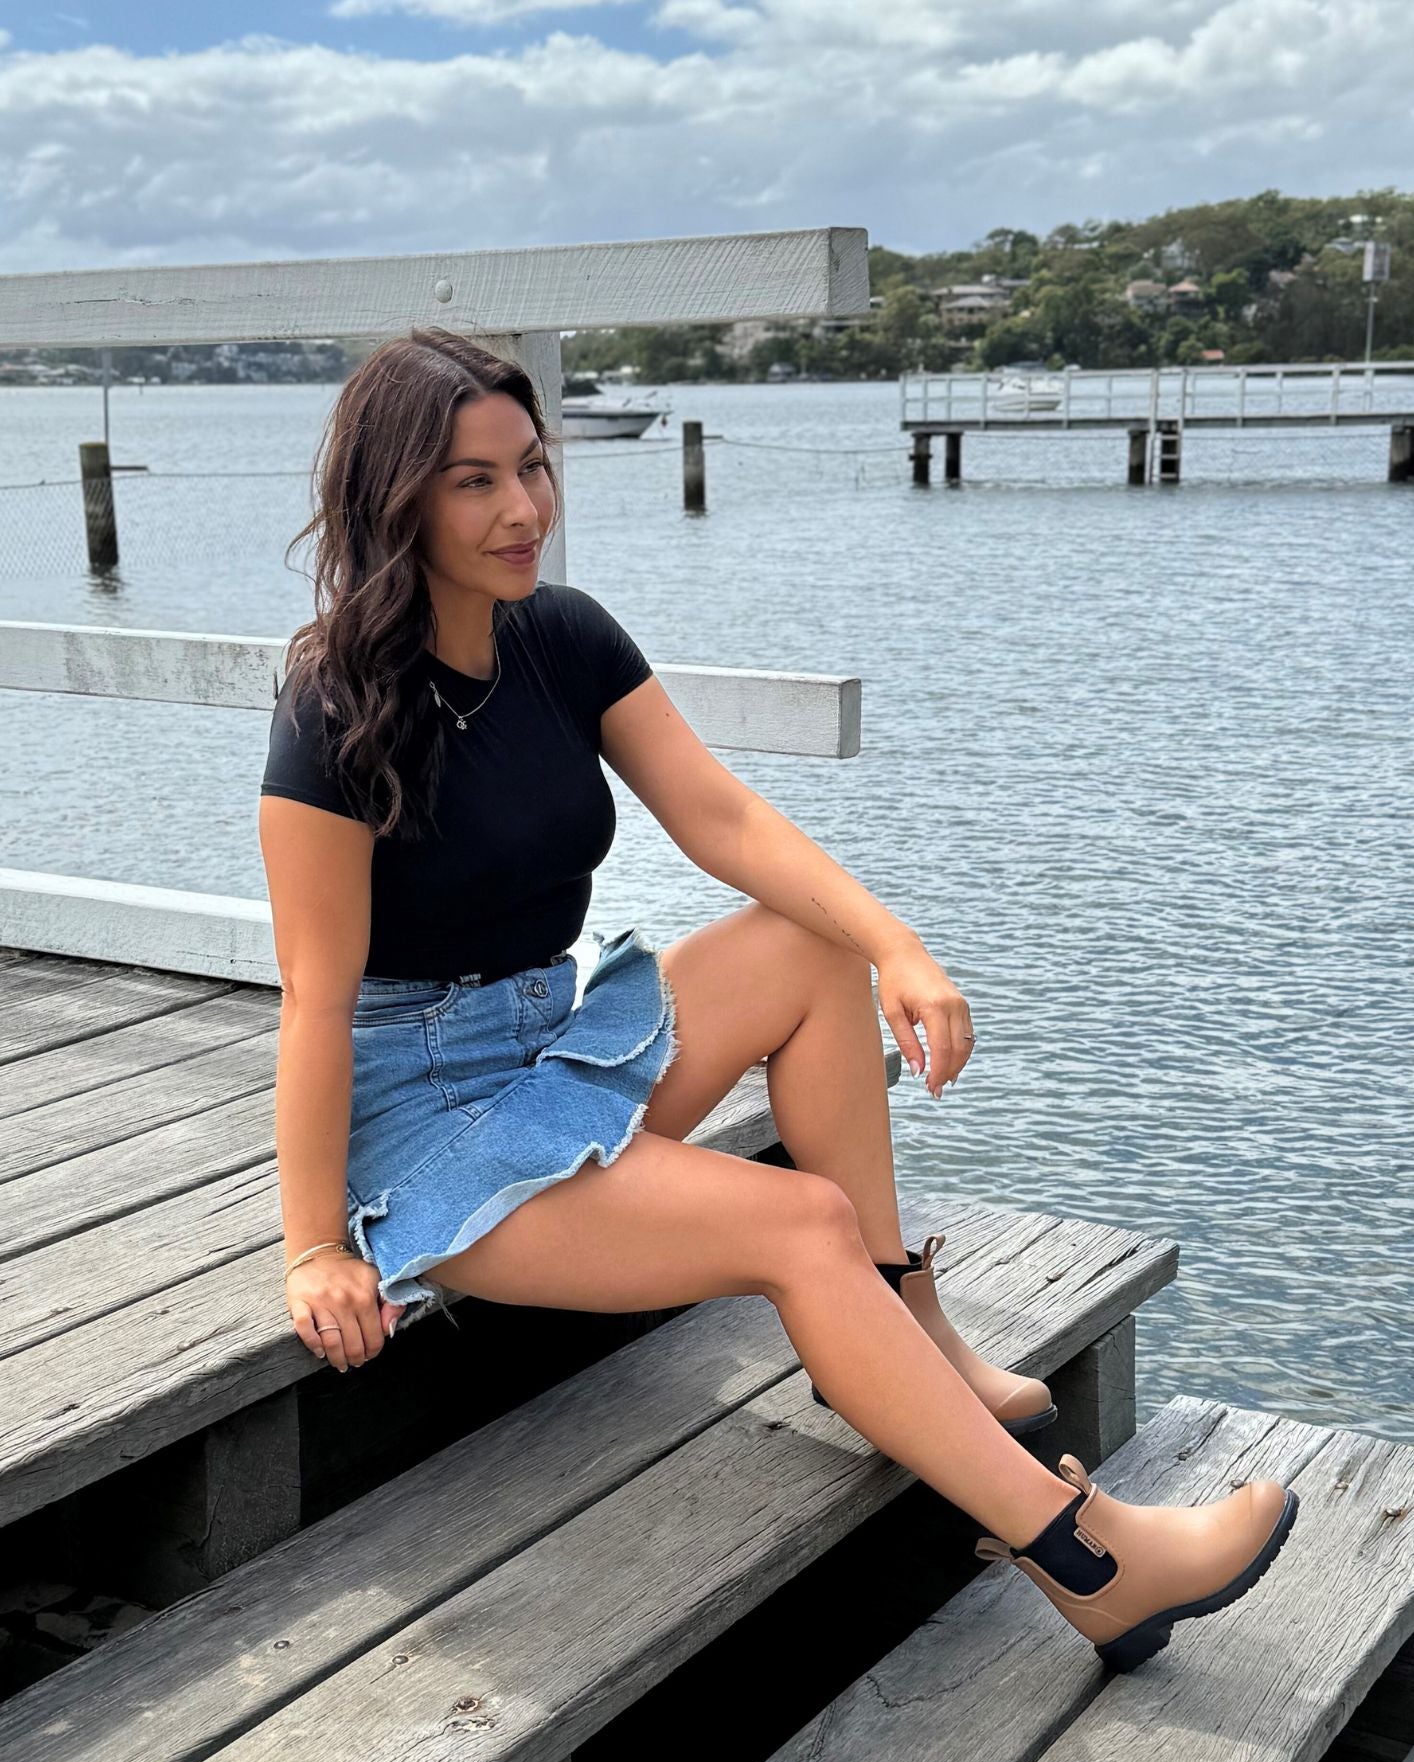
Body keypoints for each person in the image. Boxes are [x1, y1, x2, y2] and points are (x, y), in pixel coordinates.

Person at [258, 328, 1298, 1674]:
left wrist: (898, 944)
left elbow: (723, 818)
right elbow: (314, 997)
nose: (524, 509)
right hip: (428, 1124)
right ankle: (1093, 1560)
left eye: (532, 467)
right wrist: (313, 1247)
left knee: (810, 947)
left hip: (547, 1045)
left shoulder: (559, 638)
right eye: (475, 482)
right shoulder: (334, 705)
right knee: (799, 1222)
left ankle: (904, 1336)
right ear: (394, 498)